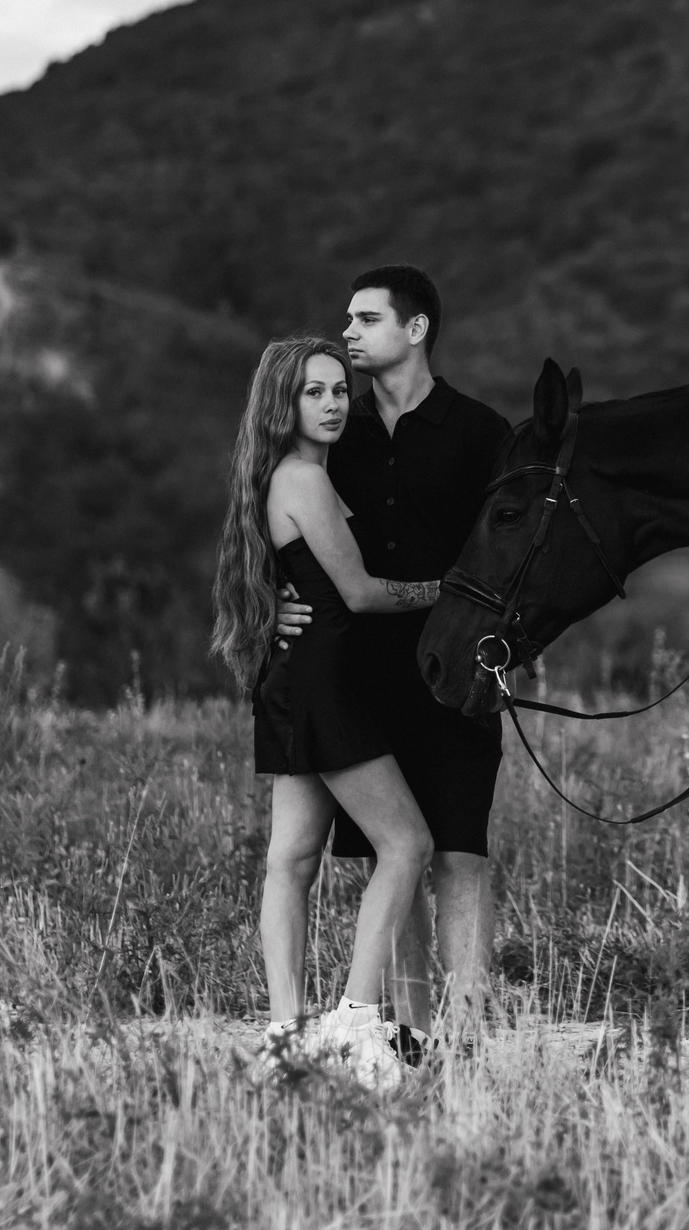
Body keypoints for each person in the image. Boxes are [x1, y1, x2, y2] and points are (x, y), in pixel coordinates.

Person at [208, 336, 449, 1086]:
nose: (334, 403)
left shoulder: (289, 474)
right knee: (406, 842)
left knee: (291, 858)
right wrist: (451, 592)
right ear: (285, 400)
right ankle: (353, 1015)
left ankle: (283, 1035)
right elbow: (363, 592)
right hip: (324, 684)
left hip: (294, 678)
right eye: (315, 392)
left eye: (340, 389)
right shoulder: (303, 481)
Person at [276, 264, 511, 1033]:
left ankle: (468, 1033)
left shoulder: (481, 433)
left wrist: (508, 637)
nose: (349, 334)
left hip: (459, 679)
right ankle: (410, 1034)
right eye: (348, 319)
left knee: (461, 856)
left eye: (366, 319)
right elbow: (273, 523)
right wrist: (271, 602)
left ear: (415, 329)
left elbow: (517, 552)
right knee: (397, 858)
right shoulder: (335, 433)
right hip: (362, 677)